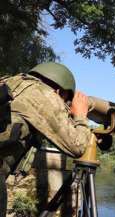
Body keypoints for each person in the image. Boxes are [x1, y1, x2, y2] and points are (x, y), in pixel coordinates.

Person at [0, 62, 93, 217]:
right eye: (65, 101)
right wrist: (81, 117)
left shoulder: (11, 82)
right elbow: (77, 147)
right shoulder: (45, 94)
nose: (65, 106)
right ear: (59, 91)